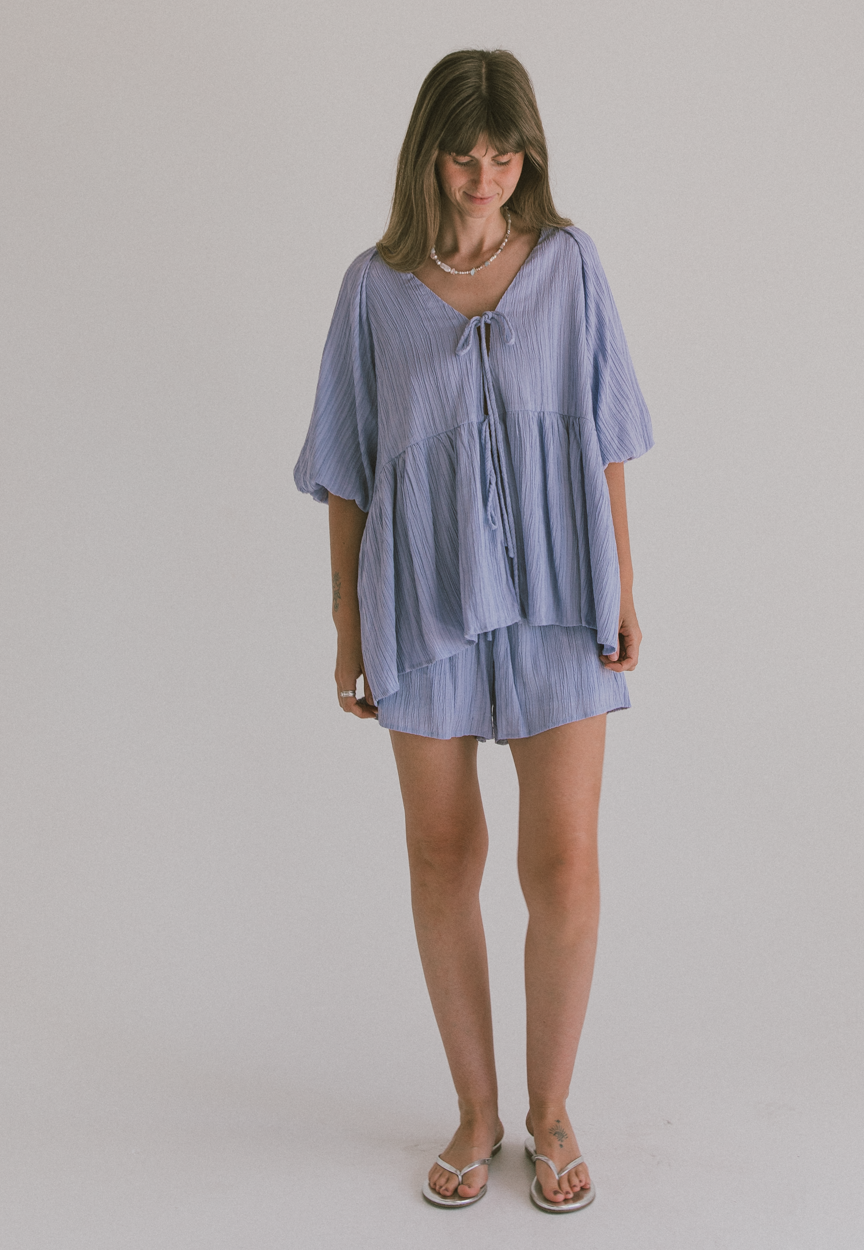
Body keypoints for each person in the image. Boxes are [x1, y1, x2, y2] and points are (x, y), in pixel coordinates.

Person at [294, 48, 653, 1213]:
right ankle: (475, 1108)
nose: (485, 177)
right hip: (424, 602)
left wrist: (623, 586)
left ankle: (551, 1111)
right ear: (427, 156)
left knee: (565, 862)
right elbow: (346, 469)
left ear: (528, 157)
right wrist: (347, 623)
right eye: (464, 156)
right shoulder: (372, 289)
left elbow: (605, 432)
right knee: (442, 856)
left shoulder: (570, 264)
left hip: (558, 593)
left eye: (505, 156)